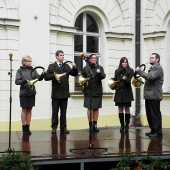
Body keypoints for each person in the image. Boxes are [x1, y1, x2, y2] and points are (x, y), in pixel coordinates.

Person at [44, 50, 78, 134]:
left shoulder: (66, 66)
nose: (63, 56)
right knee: (55, 112)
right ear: (57, 56)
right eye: (61, 55)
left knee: (63, 112)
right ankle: (54, 127)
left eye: (63, 55)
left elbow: (74, 74)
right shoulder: (52, 66)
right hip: (56, 93)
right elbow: (46, 77)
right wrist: (55, 76)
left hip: (64, 92)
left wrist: (74, 67)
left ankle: (63, 127)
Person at [15, 55, 46, 135]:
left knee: (29, 110)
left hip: (32, 92)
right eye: (29, 61)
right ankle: (23, 127)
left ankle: (28, 127)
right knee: (24, 110)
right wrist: (24, 81)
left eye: (31, 61)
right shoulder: (20, 70)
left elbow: (39, 78)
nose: (30, 63)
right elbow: (17, 82)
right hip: (23, 93)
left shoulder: (33, 70)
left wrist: (43, 74)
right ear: (24, 62)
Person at [135, 53, 164, 137]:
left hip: (154, 95)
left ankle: (158, 132)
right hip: (149, 95)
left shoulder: (158, 68)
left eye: (152, 57)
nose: (150, 59)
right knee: (150, 114)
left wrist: (139, 71)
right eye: (150, 57)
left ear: (157, 59)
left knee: (155, 114)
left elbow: (150, 77)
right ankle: (153, 130)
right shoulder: (153, 68)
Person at [81, 54, 106, 132]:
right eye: (93, 58)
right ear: (89, 59)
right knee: (90, 108)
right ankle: (90, 125)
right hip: (88, 91)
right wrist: (83, 83)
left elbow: (103, 76)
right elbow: (81, 79)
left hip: (97, 90)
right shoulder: (85, 68)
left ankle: (95, 125)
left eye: (95, 58)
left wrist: (99, 73)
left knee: (96, 108)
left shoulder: (100, 68)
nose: (94, 59)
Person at [114, 57, 134, 132]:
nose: (124, 63)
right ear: (121, 63)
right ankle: (122, 125)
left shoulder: (130, 71)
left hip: (127, 92)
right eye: (123, 62)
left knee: (127, 108)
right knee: (120, 108)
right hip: (119, 92)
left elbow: (131, 81)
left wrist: (126, 80)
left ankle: (127, 125)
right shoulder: (117, 71)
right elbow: (116, 81)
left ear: (127, 63)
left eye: (125, 62)